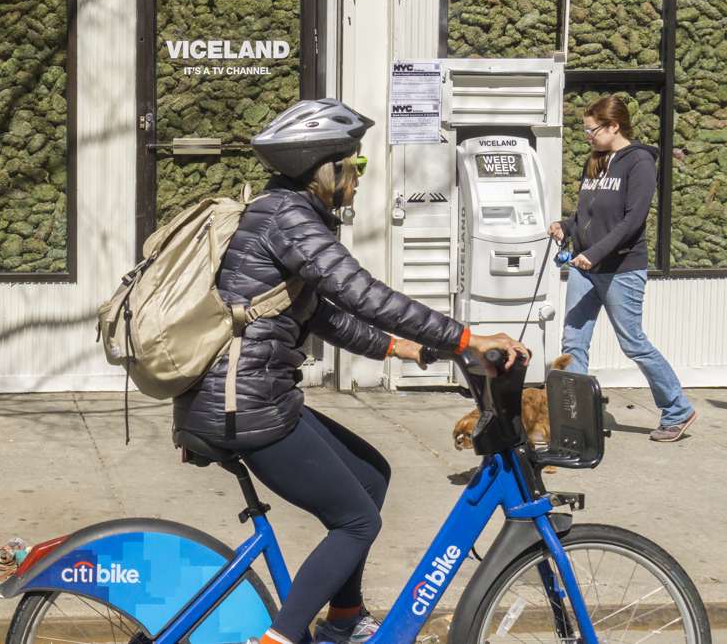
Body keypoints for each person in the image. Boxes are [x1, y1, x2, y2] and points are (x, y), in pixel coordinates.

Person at [172, 98, 528, 644]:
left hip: (255, 398)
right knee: (357, 521)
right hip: (245, 407)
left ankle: (343, 618)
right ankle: (282, 638)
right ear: (325, 169)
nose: (361, 178)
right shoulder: (288, 218)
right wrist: (464, 336)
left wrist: (408, 351)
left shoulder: (284, 213)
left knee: (372, 476)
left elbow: (323, 315)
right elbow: (359, 293)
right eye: (355, 166)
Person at [549, 95, 695, 442]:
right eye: (585, 130)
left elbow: (632, 220)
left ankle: (677, 408)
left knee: (632, 342)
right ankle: (578, 421)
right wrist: (566, 227)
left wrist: (595, 253)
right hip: (586, 267)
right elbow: (589, 213)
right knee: (573, 342)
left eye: (592, 130)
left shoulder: (639, 162)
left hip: (620, 269)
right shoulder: (596, 161)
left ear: (614, 126)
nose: (588, 136)